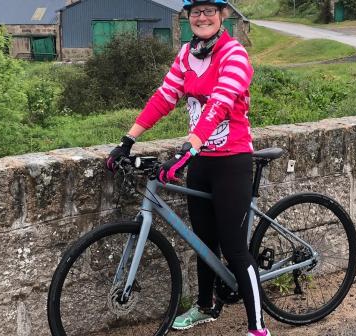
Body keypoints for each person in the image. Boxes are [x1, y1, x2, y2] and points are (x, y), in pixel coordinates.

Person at [106, 1, 269, 335]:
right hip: (201, 161)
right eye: (196, 11)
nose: (202, 17)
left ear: (223, 15)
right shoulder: (187, 54)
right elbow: (165, 97)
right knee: (204, 242)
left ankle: (258, 327)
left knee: (235, 248)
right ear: (188, 18)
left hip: (231, 160)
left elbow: (221, 103)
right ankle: (206, 306)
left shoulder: (234, 54)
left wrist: (189, 146)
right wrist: (127, 140)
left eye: (210, 10)